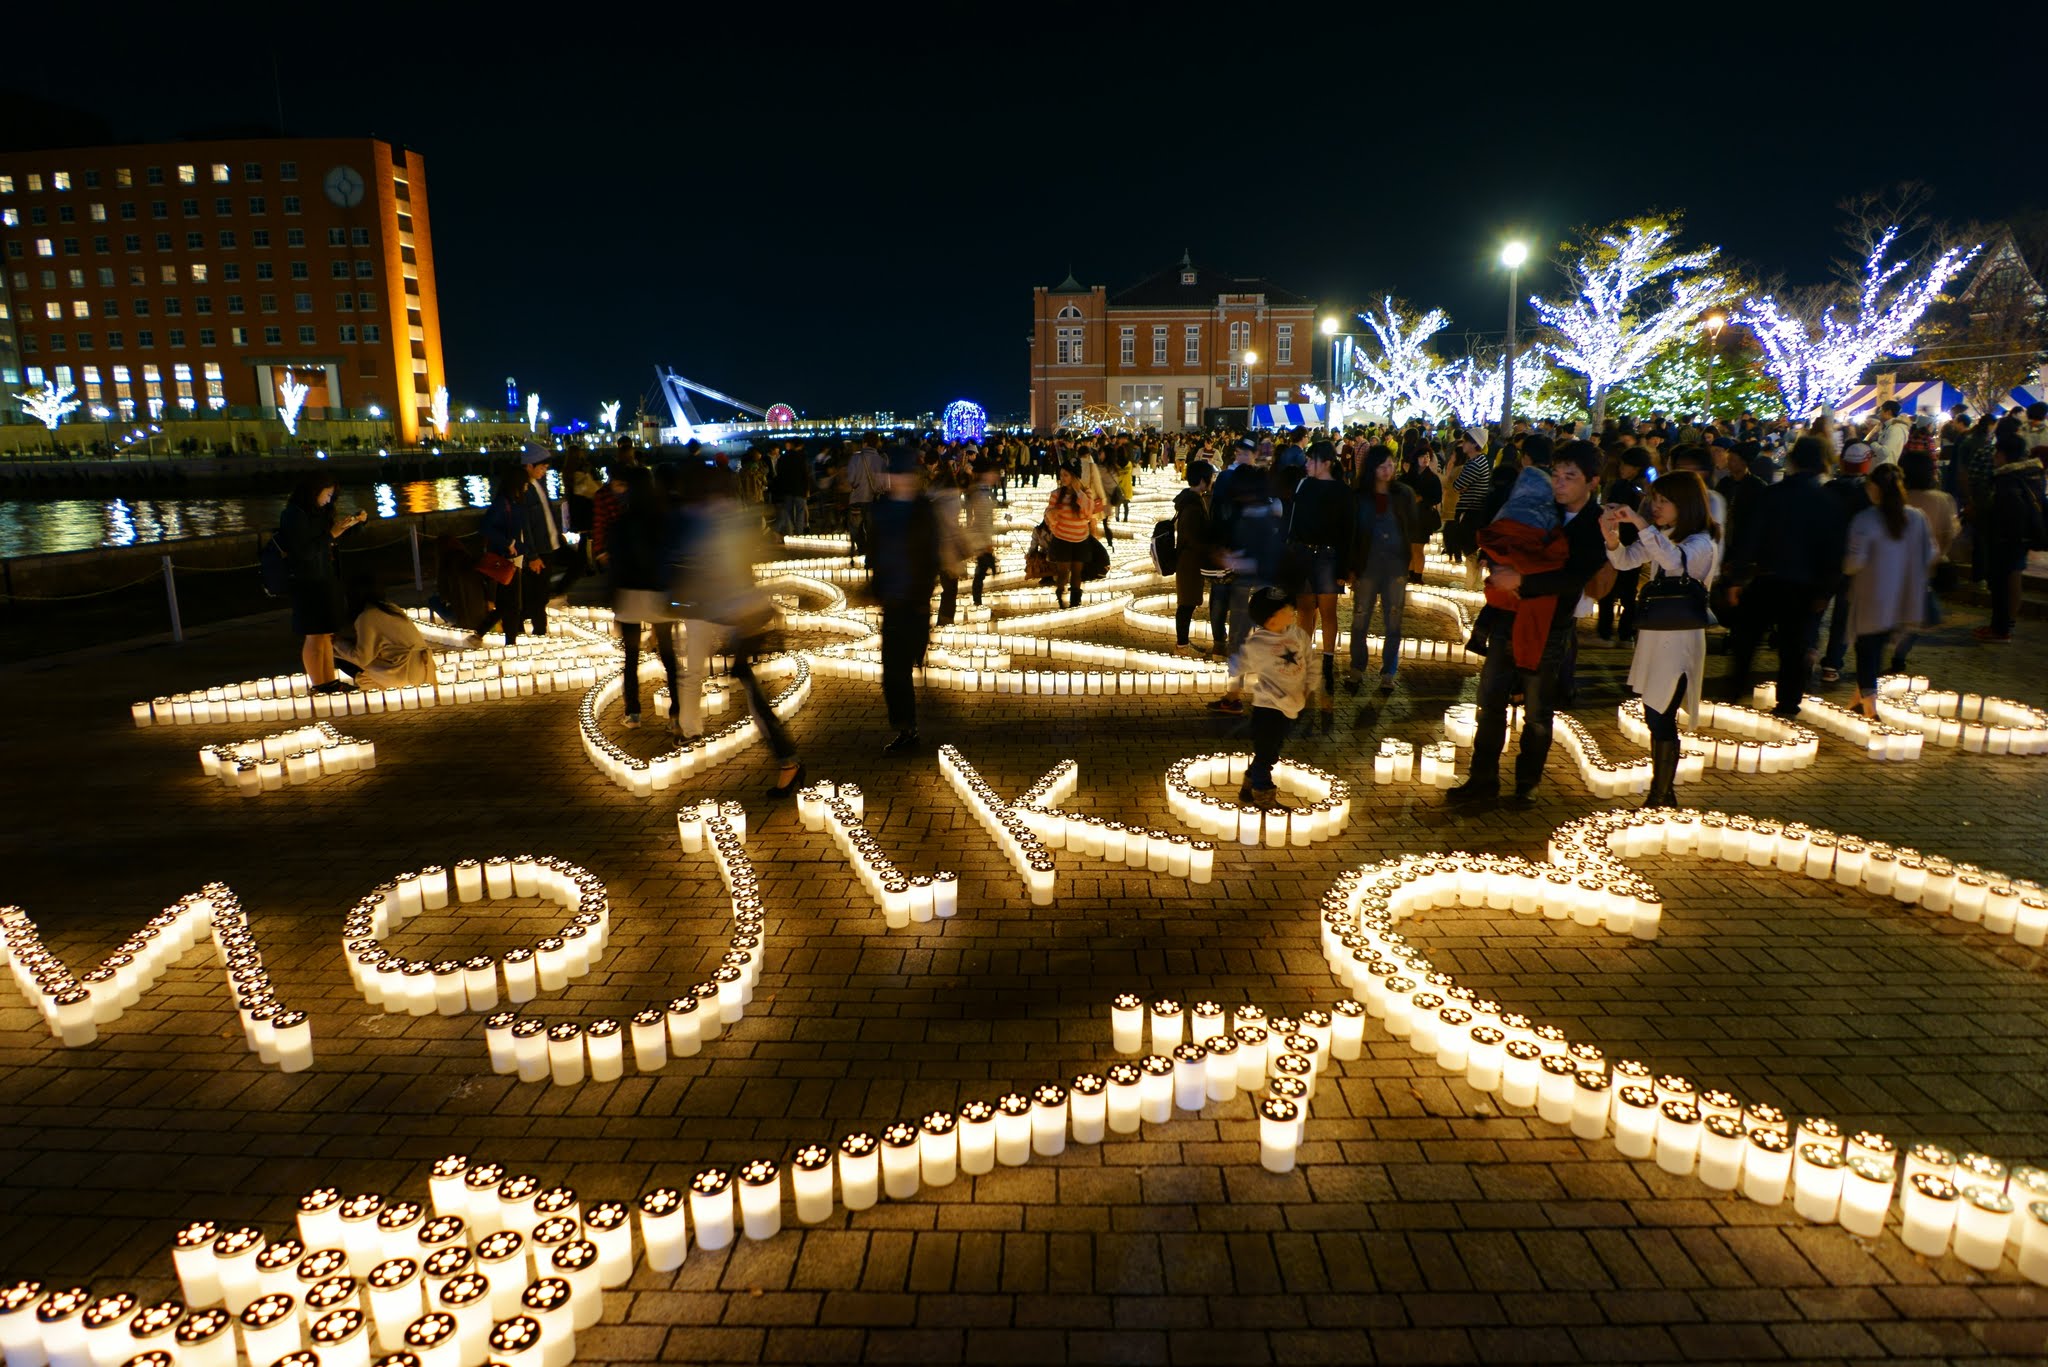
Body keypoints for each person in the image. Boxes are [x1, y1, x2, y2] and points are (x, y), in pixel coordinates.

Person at [1447, 441, 1607, 808]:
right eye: (1556, 474)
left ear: (1592, 482)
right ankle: (1482, 778)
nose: (1560, 483)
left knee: (1537, 712)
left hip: (1550, 626)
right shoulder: (1539, 505)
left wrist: (1522, 580)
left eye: (1570, 477)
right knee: (1490, 703)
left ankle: (1527, 784)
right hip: (1508, 618)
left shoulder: (1595, 523)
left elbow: (1574, 577)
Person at [670, 462, 806, 795]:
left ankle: (789, 762)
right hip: (742, 615)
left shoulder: (703, 521)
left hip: (742, 616)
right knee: (747, 684)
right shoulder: (728, 515)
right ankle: (788, 761)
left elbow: (705, 567)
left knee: (751, 689)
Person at [1600, 471, 1719, 807]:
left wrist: (1639, 522)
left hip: (1679, 639)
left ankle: (1662, 793)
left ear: (1685, 503)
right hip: (1657, 636)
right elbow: (1626, 560)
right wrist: (1611, 537)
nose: (1656, 506)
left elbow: (1672, 562)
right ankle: (1661, 792)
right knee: (1655, 711)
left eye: (1664, 501)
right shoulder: (1666, 536)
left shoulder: (1700, 543)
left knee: (1660, 714)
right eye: (1654, 499)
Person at [1721, 437, 1845, 716]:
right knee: (1793, 647)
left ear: (1792, 461)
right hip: (1803, 586)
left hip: (1766, 579)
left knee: (1747, 640)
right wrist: (1825, 592)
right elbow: (1834, 552)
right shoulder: (1828, 501)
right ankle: (1788, 702)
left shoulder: (1772, 494)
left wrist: (1737, 578)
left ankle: (1733, 690)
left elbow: (1749, 537)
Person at [1843, 463, 1937, 716]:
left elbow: (1854, 562)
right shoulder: (1916, 517)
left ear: (1874, 488)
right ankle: (1858, 698)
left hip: (1873, 597)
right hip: (1904, 597)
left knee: (1866, 650)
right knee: (1877, 649)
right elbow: (1931, 552)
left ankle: (1870, 708)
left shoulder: (1866, 519)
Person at [871, 447, 939, 753]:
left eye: (907, 476)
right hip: (893, 600)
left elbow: (931, 556)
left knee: (906, 662)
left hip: (915, 599)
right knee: (894, 671)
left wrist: (923, 594)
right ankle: (906, 729)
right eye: (896, 476)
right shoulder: (882, 508)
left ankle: (908, 724)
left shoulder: (924, 510)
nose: (902, 482)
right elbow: (874, 547)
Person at [608, 465, 682, 733]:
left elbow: (616, 565)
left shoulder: (621, 523)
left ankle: (633, 712)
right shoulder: (663, 519)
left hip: (629, 594)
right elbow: (671, 557)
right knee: (668, 653)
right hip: (658, 592)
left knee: (631, 656)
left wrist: (614, 599)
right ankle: (676, 712)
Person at [277, 472, 366, 692]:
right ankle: (319, 683)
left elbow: (327, 540)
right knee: (315, 633)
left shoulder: (319, 513)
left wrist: (354, 524)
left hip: (326, 577)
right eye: (326, 494)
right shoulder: (293, 515)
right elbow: (304, 551)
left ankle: (330, 680)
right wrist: (332, 534)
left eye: (331, 495)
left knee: (326, 633)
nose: (328, 500)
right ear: (313, 491)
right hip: (307, 581)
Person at [1286, 441, 1353, 716]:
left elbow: (1348, 531)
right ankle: (1303, 657)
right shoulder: (1303, 486)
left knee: (1327, 611)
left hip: (1329, 556)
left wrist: (1344, 568)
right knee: (1304, 609)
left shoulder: (1342, 491)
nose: (1307, 464)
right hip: (1304, 553)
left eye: (1311, 460)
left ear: (1326, 462)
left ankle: (1327, 659)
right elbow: (1293, 523)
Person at [1345, 444, 1417, 694]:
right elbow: (1352, 533)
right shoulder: (1359, 496)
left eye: (1390, 464)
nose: (1388, 470)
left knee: (1393, 621)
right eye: (1382, 465)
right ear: (1371, 468)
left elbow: (1412, 525)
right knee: (1360, 619)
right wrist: (1351, 568)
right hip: (1367, 566)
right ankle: (1357, 668)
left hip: (1395, 567)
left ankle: (1388, 672)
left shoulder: (1403, 494)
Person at [1231, 586, 1309, 810]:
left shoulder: (1294, 635)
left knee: (1270, 752)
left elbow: (1305, 663)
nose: (1293, 612)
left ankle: (1248, 786)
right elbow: (1238, 665)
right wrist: (1234, 688)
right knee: (1266, 754)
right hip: (1267, 708)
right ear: (1272, 618)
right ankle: (1263, 795)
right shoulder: (1257, 643)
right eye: (1287, 610)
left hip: (1290, 705)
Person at [1974, 432, 2047, 643]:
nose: (1995, 457)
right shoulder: (2032, 474)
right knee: (2009, 580)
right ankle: (2003, 626)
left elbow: (2009, 512)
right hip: (2020, 537)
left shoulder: (2007, 480)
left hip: (2008, 539)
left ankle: (2000, 629)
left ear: (2003, 455)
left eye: (1997, 453)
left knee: (2002, 584)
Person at [335, 577, 435, 689]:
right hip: (426, 673)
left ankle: (368, 684)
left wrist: (336, 642)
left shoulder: (367, 616)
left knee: (338, 654)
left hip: (404, 675)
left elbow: (362, 658)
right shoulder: (392, 609)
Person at [1172, 460, 1219, 656]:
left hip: (1189, 559)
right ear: (1202, 480)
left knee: (1187, 602)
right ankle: (1181, 646)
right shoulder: (1192, 505)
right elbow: (1194, 537)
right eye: (1210, 478)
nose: (1212, 481)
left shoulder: (1190, 500)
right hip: (1189, 560)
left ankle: (1183, 643)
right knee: (1186, 603)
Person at [1042, 461, 1103, 610]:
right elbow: (1047, 514)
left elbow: (1087, 513)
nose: (1062, 477)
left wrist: (1078, 493)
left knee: (1077, 572)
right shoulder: (1056, 494)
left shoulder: (1085, 493)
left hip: (1080, 539)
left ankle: (1075, 602)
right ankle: (1060, 598)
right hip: (1062, 539)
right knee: (1063, 573)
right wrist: (1052, 515)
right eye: (1061, 474)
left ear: (1074, 477)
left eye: (1066, 475)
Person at [964, 458, 1000, 607]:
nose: (996, 476)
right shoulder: (980, 492)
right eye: (993, 473)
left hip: (982, 539)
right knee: (981, 570)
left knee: (982, 570)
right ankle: (977, 601)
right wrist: (985, 544)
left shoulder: (982, 490)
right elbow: (981, 520)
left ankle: (977, 600)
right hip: (981, 539)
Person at [771, 440, 812, 537]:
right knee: (800, 512)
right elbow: (805, 475)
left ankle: (789, 532)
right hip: (799, 489)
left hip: (787, 489)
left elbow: (779, 474)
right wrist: (807, 489)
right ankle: (799, 533)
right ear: (800, 446)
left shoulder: (783, 458)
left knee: (788, 512)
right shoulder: (801, 457)